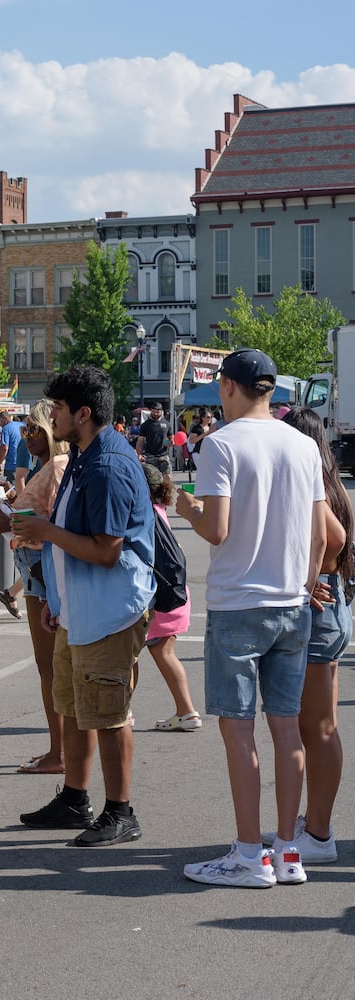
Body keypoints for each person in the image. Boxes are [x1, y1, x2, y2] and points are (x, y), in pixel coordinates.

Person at [176, 351, 326, 886]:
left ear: (230, 387)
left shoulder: (221, 443)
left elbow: (216, 529)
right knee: (287, 728)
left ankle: (247, 852)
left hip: (240, 602)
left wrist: (186, 507)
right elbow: (320, 533)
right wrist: (307, 584)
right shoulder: (303, 444)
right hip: (292, 602)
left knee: (239, 731)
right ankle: (287, 850)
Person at [13, 366, 155, 848]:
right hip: (80, 610)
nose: (51, 417)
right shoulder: (83, 454)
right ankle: (75, 799)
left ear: (83, 413)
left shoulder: (108, 464)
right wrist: (56, 597)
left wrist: (45, 531)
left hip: (110, 612)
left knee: (109, 713)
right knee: (74, 708)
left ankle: (121, 811)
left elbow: (107, 549)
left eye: (57, 409)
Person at [267, 406, 349, 867]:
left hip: (321, 612)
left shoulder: (310, 479)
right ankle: (315, 825)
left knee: (315, 730)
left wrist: (310, 574)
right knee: (318, 727)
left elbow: (333, 539)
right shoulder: (326, 478)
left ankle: (318, 832)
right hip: (331, 609)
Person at [10, 400, 71, 775]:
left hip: (44, 572)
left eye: (33, 429)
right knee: (47, 666)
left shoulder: (59, 467)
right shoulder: (44, 466)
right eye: (24, 430)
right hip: (35, 572)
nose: (26, 436)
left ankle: (60, 753)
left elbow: (60, 525)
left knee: (52, 667)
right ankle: (57, 749)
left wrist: (19, 520)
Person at [139, 464, 201, 732]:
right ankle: (186, 711)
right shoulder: (160, 511)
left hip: (158, 597)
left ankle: (121, 712)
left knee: (129, 657)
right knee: (164, 653)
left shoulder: (143, 515)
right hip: (175, 593)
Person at [137, 403, 171, 478]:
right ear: (151, 411)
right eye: (153, 411)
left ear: (161, 412)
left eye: (157, 412)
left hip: (163, 455)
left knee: (167, 477)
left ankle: (167, 490)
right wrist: (139, 454)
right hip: (150, 456)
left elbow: (171, 439)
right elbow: (140, 440)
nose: (155, 413)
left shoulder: (167, 424)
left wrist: (170, 443)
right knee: (152, 479)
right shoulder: (145, 425)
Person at [0, 410, 25, 489]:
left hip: (11, 465)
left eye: (0, 421)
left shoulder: (6, 429)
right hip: (24, 464)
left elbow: (4, 448)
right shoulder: (22, 425)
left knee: (10, 490)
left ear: (5, 419)